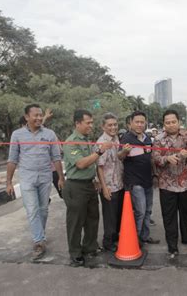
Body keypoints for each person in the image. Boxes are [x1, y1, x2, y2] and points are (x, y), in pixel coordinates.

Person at [6, 104, 64, 261]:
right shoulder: (17, 135)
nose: (39, 118)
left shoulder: (49, 134)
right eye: (35, 115)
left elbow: (56, 158)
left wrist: (60, 179)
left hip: (45, 177)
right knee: (32, 210)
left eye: (40, 115)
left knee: (43, 209)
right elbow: (12, 159)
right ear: (27, 117)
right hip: (27, 178)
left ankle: (40, 235)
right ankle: (38, 241)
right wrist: (8, 182)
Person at [62, 109, 112, 267]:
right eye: (88, 122)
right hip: (75, 186)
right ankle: (75, 253)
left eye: (92, 122)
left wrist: (96, 179)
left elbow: (93, 164)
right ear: (77, 123)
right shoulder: (71, 142)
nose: (91, 125)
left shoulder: (86, 139)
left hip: (89, 185)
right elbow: (81, 163)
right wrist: (100, 150)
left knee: (92, 218)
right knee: (76, 221)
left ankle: (89, 247)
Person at [153, 110, 187, 257]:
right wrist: (166, 159)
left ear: (178, 122)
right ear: (164, 124)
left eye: (173, 121)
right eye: (167, 122)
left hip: (186, 183)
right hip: (167, 185)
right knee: (169, 216)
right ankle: (172, 244)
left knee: (185, 214)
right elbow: (155, 158)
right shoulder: (158, 139)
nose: (171, 125)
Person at [119, 111, 160, 245]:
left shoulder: (148, 139)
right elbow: (119, 157)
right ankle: (134, 240)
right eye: (137, 122)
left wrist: (155, 175)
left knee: (148, 211)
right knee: (140, 212)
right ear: (130, 123)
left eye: (142, 122)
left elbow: (151, 159)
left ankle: (144, 236)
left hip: (148, 180)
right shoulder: (126, 138)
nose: (139, 124)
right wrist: (124, 151)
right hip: (135, 182)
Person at [96, 113, 125, 252]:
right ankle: (107, 242)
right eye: (110, 125)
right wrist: (104, 187)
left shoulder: (116, 139)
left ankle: (114, 239)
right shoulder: (102, 142)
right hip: (108, 186)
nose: (113, 127)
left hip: (118, 184)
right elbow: (99, 167)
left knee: (118, 215)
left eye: (115, 124)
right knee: (110, 217)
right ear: (103, 126)